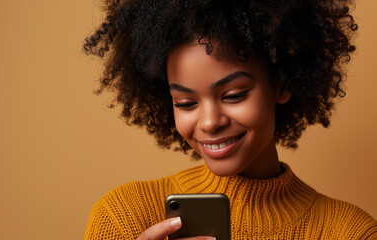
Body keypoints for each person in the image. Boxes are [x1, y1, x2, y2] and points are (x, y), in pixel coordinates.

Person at [82, 0, 377, 239]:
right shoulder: (123, 216)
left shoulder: (351, 232)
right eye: (186, 103)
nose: (210, 122)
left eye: (234, 95)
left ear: (283, 84)